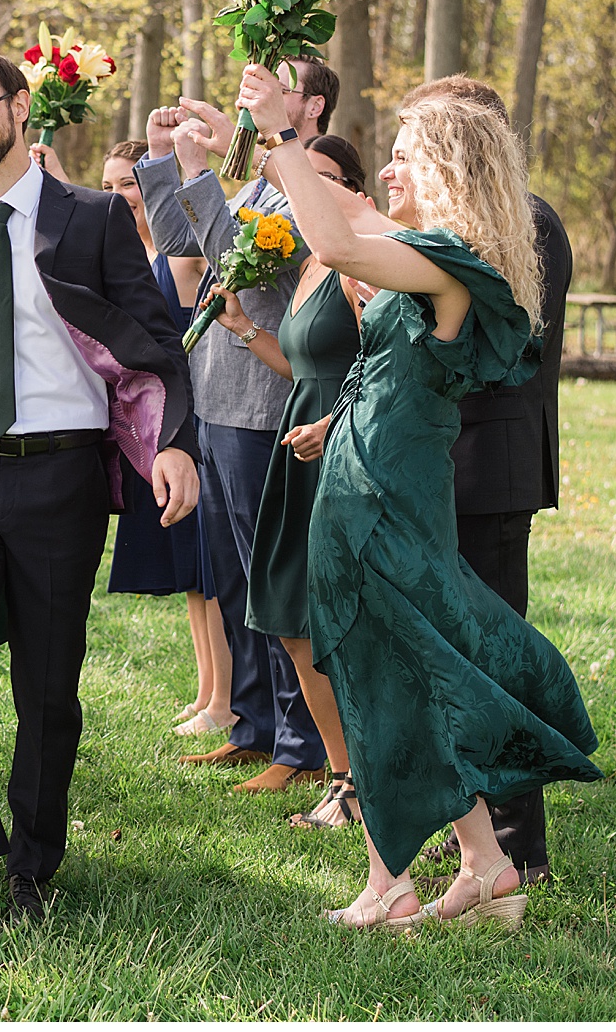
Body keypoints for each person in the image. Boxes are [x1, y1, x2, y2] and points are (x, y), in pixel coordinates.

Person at [234, 62, 600, 931]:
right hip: (364, 472)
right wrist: (339, 423)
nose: (387, 171)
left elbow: (336, 240)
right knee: (393, 672)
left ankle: (388, 884)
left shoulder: (447, 259)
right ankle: (483, 864)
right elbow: (394, 351)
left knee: (381, 676)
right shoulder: (427, 251)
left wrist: (284, 132)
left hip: (387, 499)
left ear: (445, 167)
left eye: (402, 155)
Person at [0, 45, 199, 933]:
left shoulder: (94, 218)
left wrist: (172, 444)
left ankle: (32, 862)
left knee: (49, 687)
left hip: (62, 473)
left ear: (22, 108)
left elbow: (155, 343)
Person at [138, 60, 335, 794]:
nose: (249, 95)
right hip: (215, 402)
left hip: (262, 408)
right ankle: (251, 727)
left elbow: (236, 262)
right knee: (233, 581)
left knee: (271, 583)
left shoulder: (307, 182)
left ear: (306, 105)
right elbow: (178, 245)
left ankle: (300, 744)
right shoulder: (253, 183)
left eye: (271, 85)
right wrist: (167, 163)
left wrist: (198, 173)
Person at [401, 77, 574, 885]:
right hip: (456, 465)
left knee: (497, 658)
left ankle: (520, 846)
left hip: (494, 467)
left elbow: (507, 352)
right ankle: (479, 830)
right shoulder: (474, 221)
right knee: (460, 655)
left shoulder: (528, 222)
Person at [200, 134, 373, 828]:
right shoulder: (308, 264)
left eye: (320, 176)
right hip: (294, 439)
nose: (302, 187)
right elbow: (300, 366)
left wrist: (334, 424)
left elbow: (381, 366)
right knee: (286, 614)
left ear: (354, 188)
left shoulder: (363, 260)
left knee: (334, 618)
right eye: (293, 176)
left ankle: (364, 777)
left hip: (343, 445)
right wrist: (243, 328)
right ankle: (340, 774)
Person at [35, 139, 229, 737]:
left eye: (130, 185)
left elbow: (181, 233)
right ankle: (209, 690)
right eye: (111, 185)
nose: (120, 196)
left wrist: (173, 157)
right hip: (150, 426)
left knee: (207, 570)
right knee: (190, 577)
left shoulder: (173, 254)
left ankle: (226, 697)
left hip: (185, 415)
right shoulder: (133, 254)